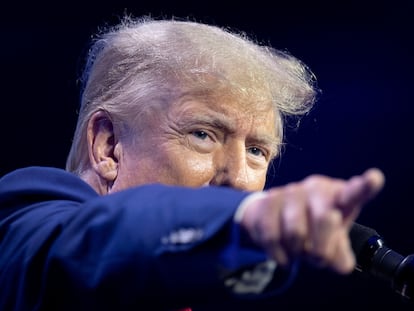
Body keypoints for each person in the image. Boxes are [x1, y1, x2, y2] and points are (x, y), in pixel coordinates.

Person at [0, 15, 385, 311]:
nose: (237, 179)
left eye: (256, 151)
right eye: (203, 135)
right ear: (108, 145)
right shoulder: (26, 225)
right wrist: (246, 217)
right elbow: (91, 242)